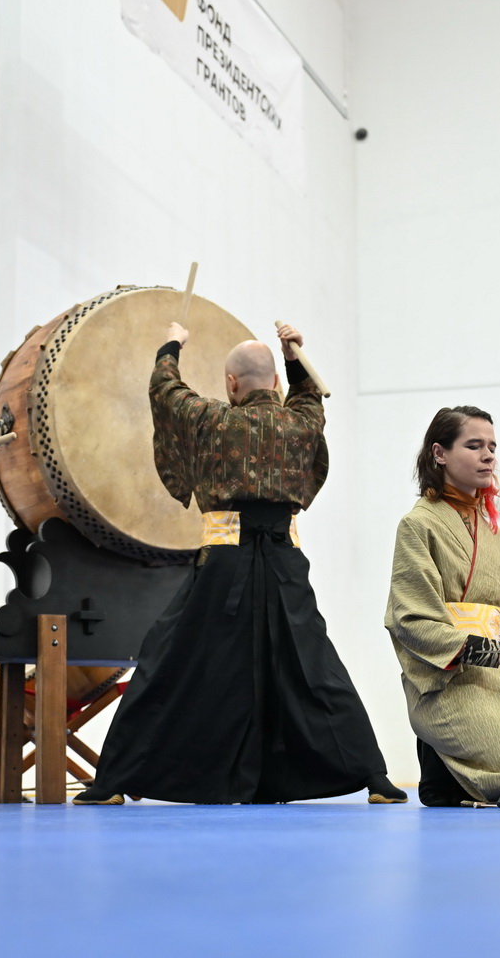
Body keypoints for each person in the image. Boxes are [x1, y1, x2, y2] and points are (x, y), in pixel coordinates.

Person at [73, 321, 404, 805]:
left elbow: (166, 390)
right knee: (313, 663)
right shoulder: (302, 422)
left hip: (222, 564)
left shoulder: (210, 419)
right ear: (274, 383)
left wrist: (172, 343)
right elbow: (309, 395)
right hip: (285, 564)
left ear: (231, 384)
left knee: (168, 661)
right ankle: (374, 779)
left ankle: (112, 783)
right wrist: (294, 356)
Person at [383, 406, 500, 807]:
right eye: (474, 445)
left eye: (492, 446)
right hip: (449, 684)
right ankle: (452, 779)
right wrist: (497, 653)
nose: (489, 455)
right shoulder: (418, 525)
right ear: (439, 453)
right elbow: (411, 619)